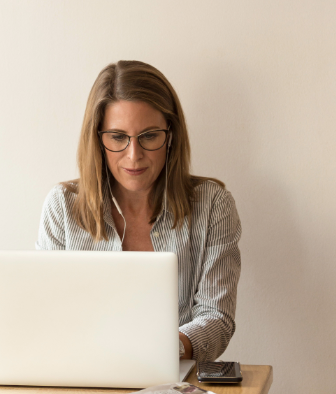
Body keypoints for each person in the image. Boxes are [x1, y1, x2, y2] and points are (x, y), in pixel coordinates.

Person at [35, 60, 241, 362]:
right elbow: (45, 315)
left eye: (149, 136)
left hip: (175, 384)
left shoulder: (212, 205)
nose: (134, 156)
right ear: (98, 139)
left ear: (170, 135)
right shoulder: (62, 206)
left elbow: (217, 319)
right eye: (118, 137)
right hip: (81, 378)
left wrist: (161, 351)